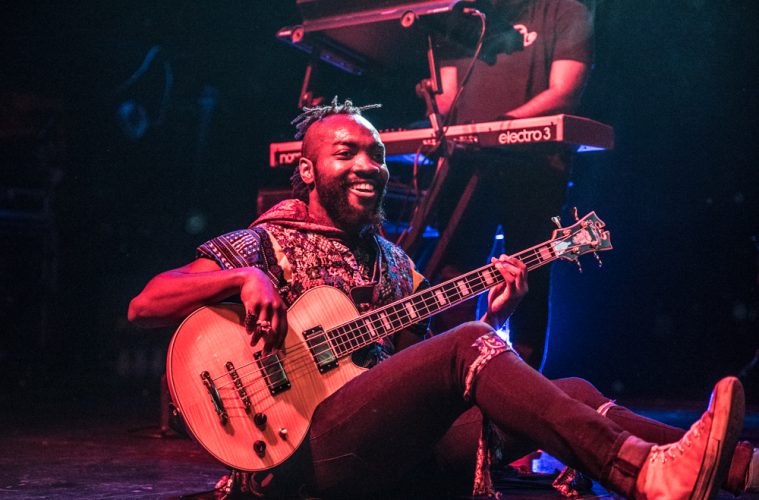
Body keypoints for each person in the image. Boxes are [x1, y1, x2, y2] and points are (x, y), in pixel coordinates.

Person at [128, 100, 755, 499]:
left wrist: (496, 320)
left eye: (377, 154)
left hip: (388, 450)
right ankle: (638, 474)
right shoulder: (263, 242)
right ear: (308, 171)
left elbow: (435, 377)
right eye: (346, 153)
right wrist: (241, 278)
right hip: (303, 457)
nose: (368, 165)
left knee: (575, 392)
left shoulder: (395, 265)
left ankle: (741, 468)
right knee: (467, 345)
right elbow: (146, 304)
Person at [432, 0, 595, 370]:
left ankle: (521, 383)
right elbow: (446, 98)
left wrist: (500, 126)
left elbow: (564, 90)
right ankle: (446, 372)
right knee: (453, 271)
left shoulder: (565, 11)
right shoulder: (464, 16)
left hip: (534, 164)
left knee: (528, 271)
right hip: (466, 161)